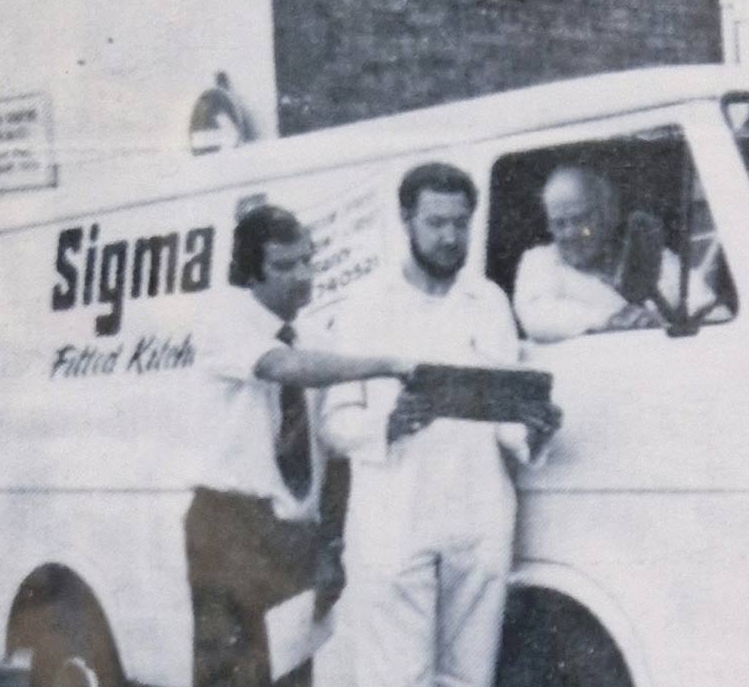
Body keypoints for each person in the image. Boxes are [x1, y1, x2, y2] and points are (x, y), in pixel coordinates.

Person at [320, 162, 562, 687]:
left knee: (468, 676)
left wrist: (533, 427)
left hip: (477, 516)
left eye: (461, 223)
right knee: (396, 678)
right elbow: (335, 425)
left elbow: (504, 423)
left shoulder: (489, 302)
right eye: (436, 223)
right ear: (406, 220)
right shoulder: (366, 305)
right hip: (395, 520)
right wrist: (387, 424)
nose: (451, 237)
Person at [187, 203, 416, 687]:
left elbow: (331, 451)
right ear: (250, 273)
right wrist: (388, 363)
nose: (303, 277)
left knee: (291, 674)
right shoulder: (223, 320)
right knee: (231, 677)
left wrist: (329, 544)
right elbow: (283, 369)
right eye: (284, 266)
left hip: (294, 534)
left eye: (308, 261)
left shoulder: (315, 337)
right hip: (230, 524)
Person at [513, 164, 717, 342]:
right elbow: (538, 317)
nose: (571, 233)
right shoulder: (541, 262)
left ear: (609, 213)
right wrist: (612, 318)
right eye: (559, 224)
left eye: (580, 220)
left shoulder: (649, 254)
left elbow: (710, 308)